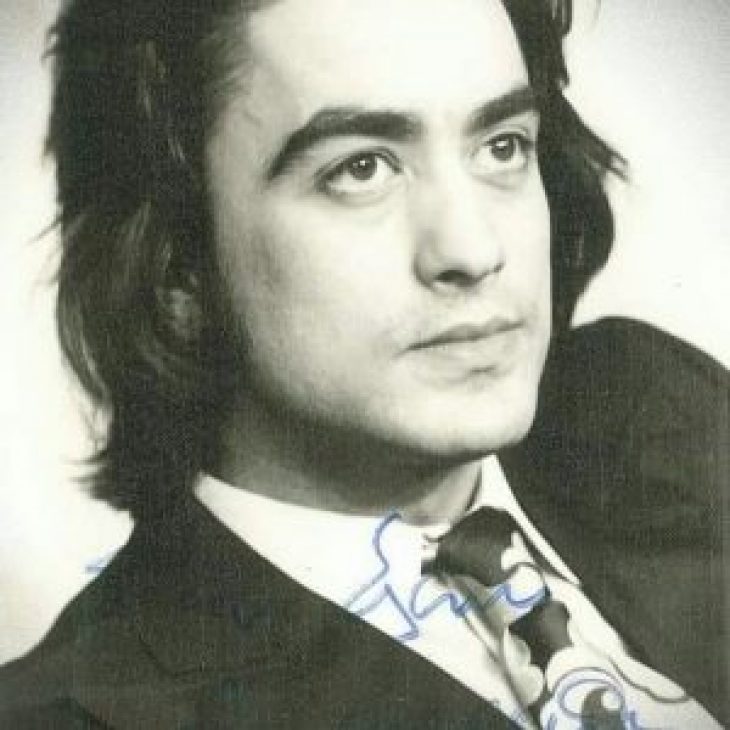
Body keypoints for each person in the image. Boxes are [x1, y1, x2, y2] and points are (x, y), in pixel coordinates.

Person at [0, 0, 726, 727]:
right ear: (177, 267)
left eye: (503, 146)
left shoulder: (654, 405)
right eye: (361, 168)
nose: (474, 250)